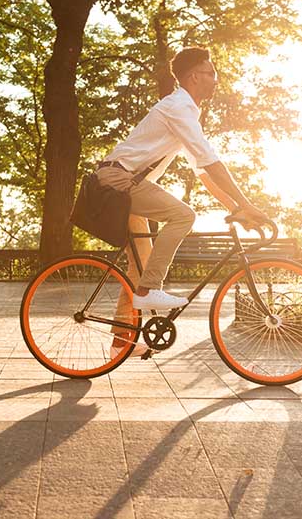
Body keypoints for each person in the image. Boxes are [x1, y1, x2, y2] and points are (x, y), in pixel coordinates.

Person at [94, 47, 270, 358]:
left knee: (141, 265)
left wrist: (234, 208)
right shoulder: (178, 106)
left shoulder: (185, 111)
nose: (216, 80)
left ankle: (122, 342)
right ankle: (150, 291)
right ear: (193, 77)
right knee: (183, 216)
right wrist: (245, 203)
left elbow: (202, 172)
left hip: (128, 182)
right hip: (120, 181)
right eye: (211, 73)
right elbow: (211, 161)